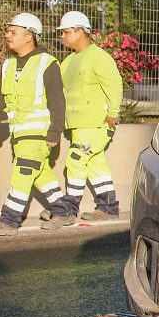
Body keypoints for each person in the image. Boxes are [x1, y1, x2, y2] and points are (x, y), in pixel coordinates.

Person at [41, 11, 123, 229]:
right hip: (78, 126)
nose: (63, 37)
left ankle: (67, 211)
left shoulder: (99, 57)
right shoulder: (68, 61)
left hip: (97, 124)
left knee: (75, 160)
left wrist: (112, 113)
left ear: (80, 31)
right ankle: (108, 208)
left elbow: (114, 85)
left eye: (66, 32)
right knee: (95, 166)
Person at [0, 13, 68, 236]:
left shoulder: (47, 63)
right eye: (8, 31)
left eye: (13, 32)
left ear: (29, 37)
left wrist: (54, 131)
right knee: (40, 174)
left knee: (23, 173)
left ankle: (9, 220)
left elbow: (57, 100)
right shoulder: (8, 64)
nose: (7, 35)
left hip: (39, 133)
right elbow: (3, 99)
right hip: (18, 133)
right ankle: (63, 210)